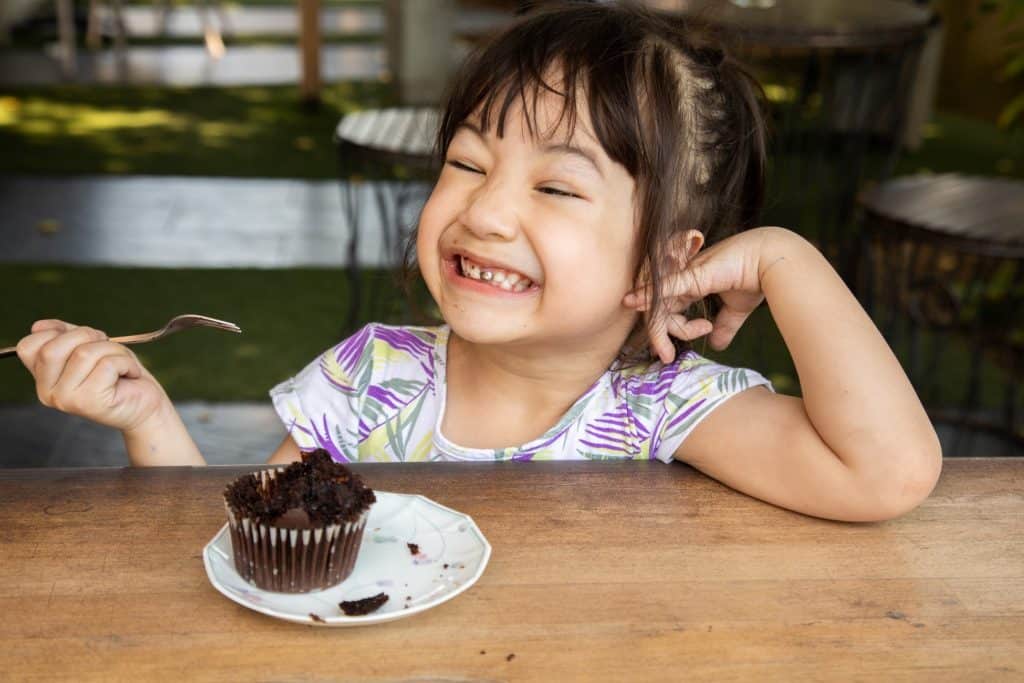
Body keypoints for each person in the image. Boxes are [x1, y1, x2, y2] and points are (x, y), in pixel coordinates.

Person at [14, 1, 941, 522]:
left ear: (666, 264)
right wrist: (144, 414)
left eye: (559, 188)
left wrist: (787, 259)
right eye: (466, 162)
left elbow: (887, 475)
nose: (485, 210)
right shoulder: (370, 378)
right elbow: (250, 541)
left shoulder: (661, 410)